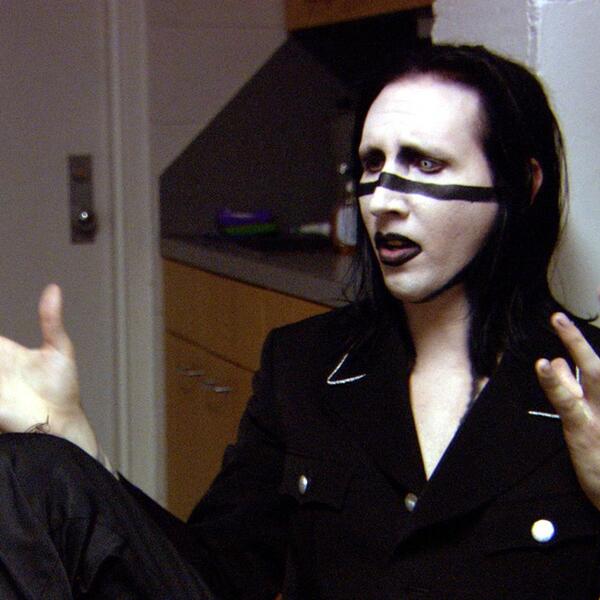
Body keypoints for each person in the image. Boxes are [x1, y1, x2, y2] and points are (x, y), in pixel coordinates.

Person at [1, 43, 600, 599]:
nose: (383, 199)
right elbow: (214, 575)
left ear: (522, 185)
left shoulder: (589, 384)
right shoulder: (306, 365)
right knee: (27, 469)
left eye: (426, 163)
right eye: (372, 164)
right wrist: (73, 447)